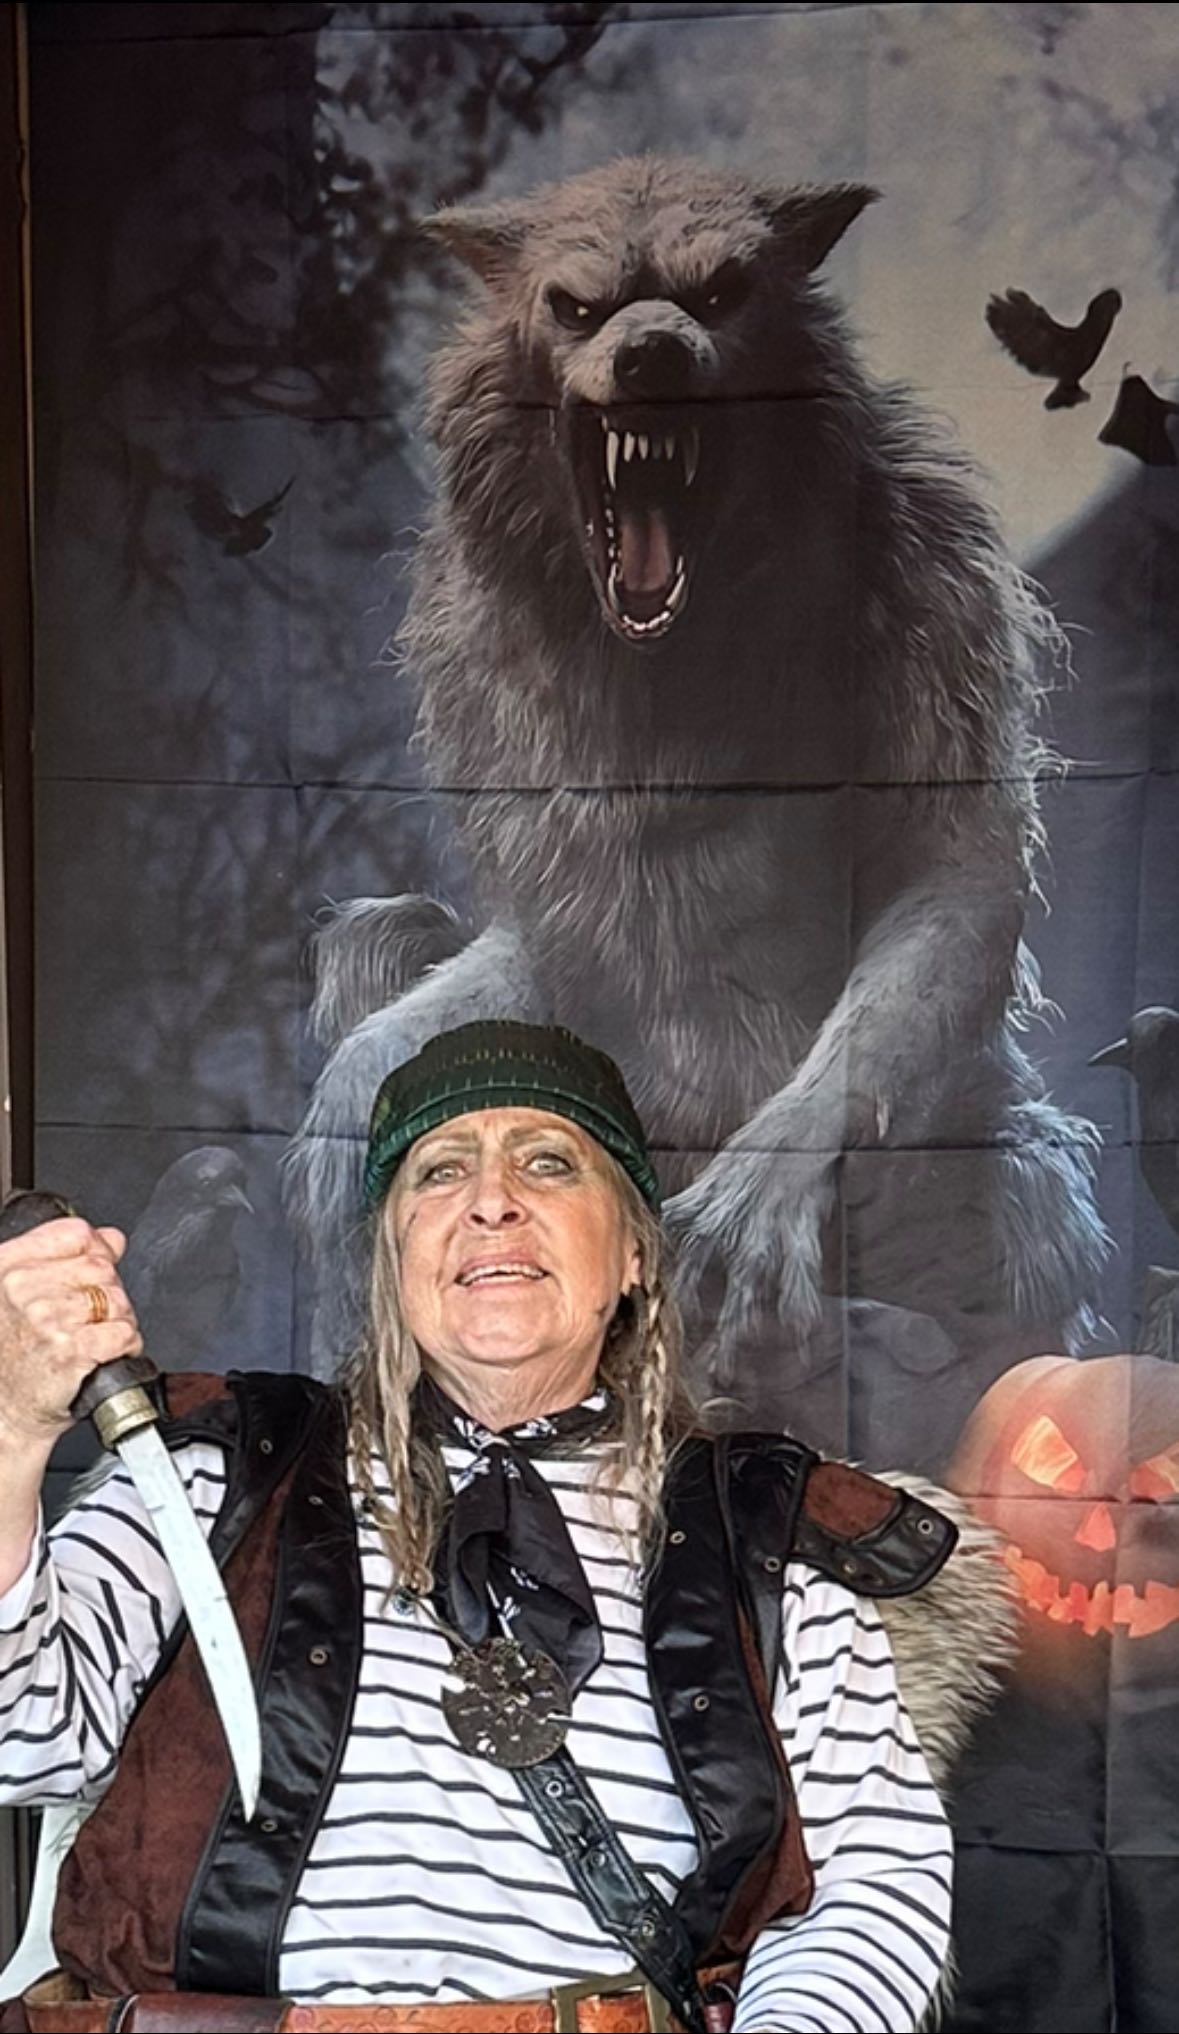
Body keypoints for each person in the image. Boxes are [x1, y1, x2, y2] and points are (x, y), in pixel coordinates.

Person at [0, 1020, 986, 2033]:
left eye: (548, 1162)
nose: (491, 1201)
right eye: (439, 1172)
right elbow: (22, 1737)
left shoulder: (764, 1531)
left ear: (633, 1254)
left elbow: (868, 1891)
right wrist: (12, 1427)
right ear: (393, 1262)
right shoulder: (220, 1472)